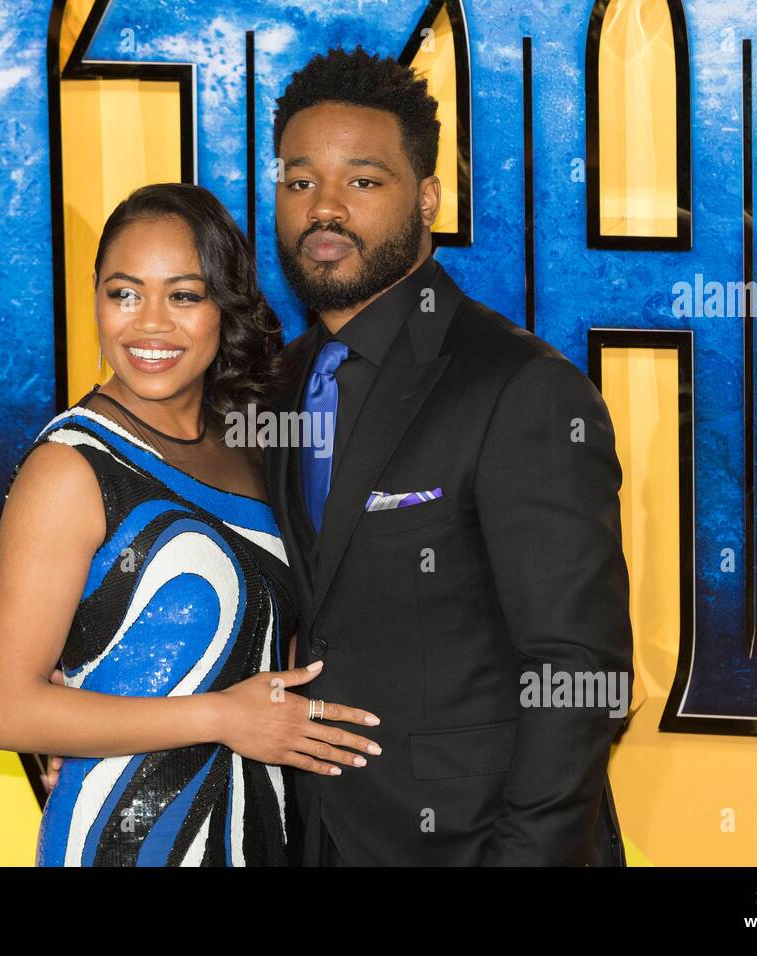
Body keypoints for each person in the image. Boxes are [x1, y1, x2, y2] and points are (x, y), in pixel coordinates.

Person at [265, 47, 634, 865]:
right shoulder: (276, 386)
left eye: (362, 180)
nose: (324, 208)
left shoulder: (521, 387)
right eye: (299, 181)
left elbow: (578, 674)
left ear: (427, 198)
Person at [0, 183, 381, 866]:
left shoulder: (251, 446)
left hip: (261, 835)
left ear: (225, 305)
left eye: (184, 296)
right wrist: (220, 717)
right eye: (124, 293)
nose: (149, 325)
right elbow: (5, 710)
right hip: (125, 841)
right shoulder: (71, 468)